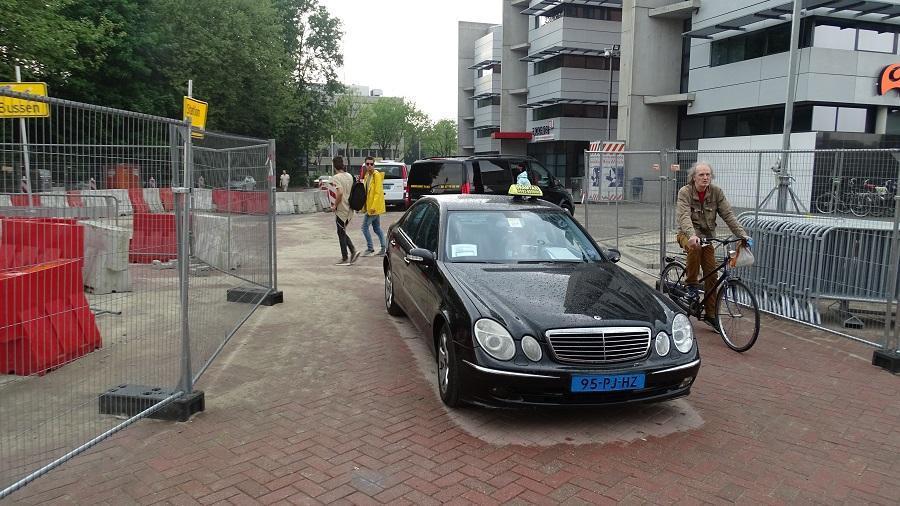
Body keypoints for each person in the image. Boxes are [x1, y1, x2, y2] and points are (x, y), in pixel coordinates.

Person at [676, 161, 751, 327]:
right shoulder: (685, 192)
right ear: (693, 177)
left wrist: (742, 235)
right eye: (701, 175)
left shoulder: (716, 192)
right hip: (686, 234)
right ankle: (691, 286)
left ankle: (711, 314)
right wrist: (692, 235)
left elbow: (728, 215)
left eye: (708, 174)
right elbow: (684, 217)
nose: (705, 178)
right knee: (694, 247)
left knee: (712, 274)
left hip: (708, 237)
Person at [330, 156, 360, 266]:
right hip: (350, 208)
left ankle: (347, 255)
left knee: (341, 232)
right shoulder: (349, 176)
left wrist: (334, 205)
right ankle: (351, 252)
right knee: (341, 232)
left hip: (342, 209)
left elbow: (340, 193)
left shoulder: (336, 178)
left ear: (334, 165)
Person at [361, 156, 387, 256]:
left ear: (374, 165)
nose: (369, 166)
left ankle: (370, 248)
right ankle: (384, 248)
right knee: (377, 228)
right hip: (370, 207)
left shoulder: (376, 175)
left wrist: (373, 207)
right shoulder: (367, 175)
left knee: (364, 227)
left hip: (373, 208)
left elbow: (377, 193)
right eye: (367, 164)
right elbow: (366, 192)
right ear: (365, 165)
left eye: (371, 164)